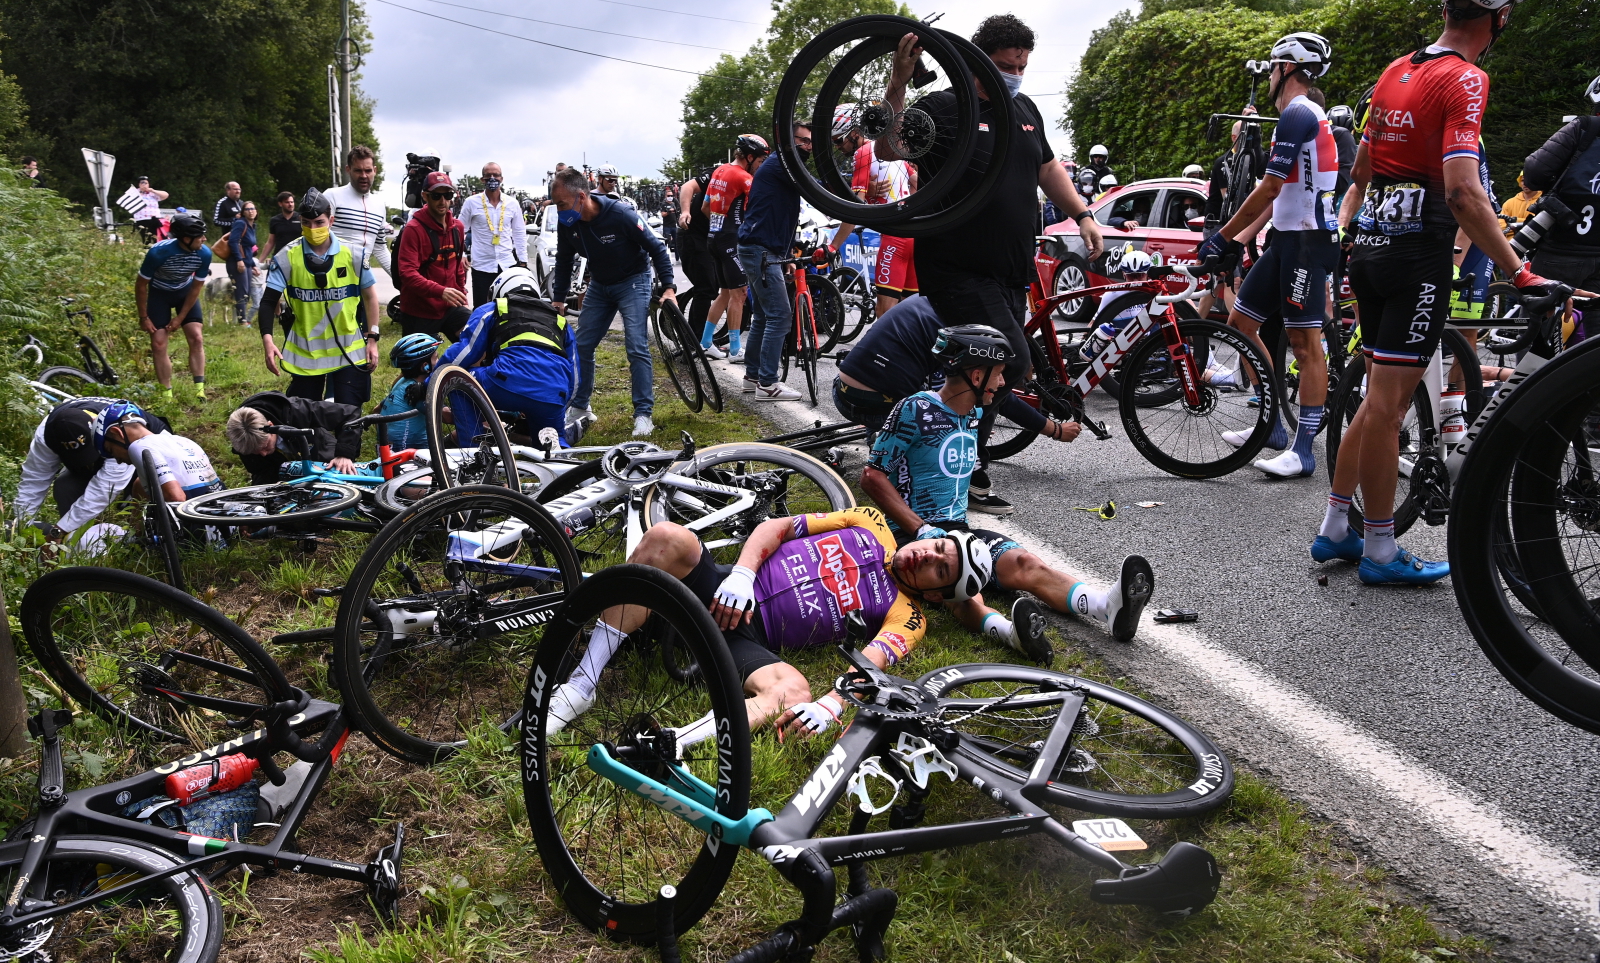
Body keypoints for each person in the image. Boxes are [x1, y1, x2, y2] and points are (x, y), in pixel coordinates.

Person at [1324, 0, 1559, 586]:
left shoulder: (1394, 71)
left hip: (1372, 250)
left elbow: (1365, 170)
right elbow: (1461, 193)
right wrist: (1519, 271)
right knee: (1388, 408)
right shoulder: (1466, 78)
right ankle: (1380, 550)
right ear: (1498, 20)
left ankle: (1335, 526)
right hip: (1415, 256)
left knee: (1378, 400)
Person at [877, 14, 1104, 515]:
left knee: (979, 367)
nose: (1016, 73)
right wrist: (897, 81)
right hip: (957, 266)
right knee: (1010, 361)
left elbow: (1047, 168)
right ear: (979, 59)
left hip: (1009, 270)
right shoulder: (942, 106)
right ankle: (960, 463)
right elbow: (888, 146)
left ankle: (932, 454)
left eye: (1023, 64)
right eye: (1005, 65)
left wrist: (1084, 214)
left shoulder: (1022, 109)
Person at [544, 505, 993, 741]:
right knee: (666, 538)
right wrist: (742, 573)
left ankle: (676, 743)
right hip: (722, 588)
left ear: (937, 594)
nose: (927, 556)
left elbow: (869, 665)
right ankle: (581, 686)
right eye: (939, 548)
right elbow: (775, 528)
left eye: (939, 569)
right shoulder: (870, 522)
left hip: (747, 638)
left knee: (794, 690)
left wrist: (831, 705)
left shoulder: (909, 616)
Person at [861, 325, 1154, 654]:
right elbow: (872, 476)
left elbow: (1010, 406)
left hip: (957, 533)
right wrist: (922, 528)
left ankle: (1107, 608)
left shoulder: (972, 413)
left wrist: (1053, 428)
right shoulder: (915, 409)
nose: (1002, 384)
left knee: (1025, 563)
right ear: (976, 376)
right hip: (910, 536)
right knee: (962, 593)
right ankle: (1011, 634)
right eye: (998, 374)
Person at [1198, 31, 1340, 479]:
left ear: (1287, 70)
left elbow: (1271, 187)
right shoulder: (1295, 117)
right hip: (1285, 238)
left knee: (1304, 342)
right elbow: (1281, 197)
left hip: (1309, 241)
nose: (1269, 76)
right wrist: (1240, 239)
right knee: (1240, 324)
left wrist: (1223, 236)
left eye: (1273, 68)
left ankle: (1303, 450)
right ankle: (1273, 427)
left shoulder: (1299, 113)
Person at [833, 295, 1068, 454]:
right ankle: (895, 439)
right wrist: (1052, 429)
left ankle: (881, 434)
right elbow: (985, 394)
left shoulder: (932, 298)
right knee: (960, 408)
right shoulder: (960, 328)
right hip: (877, 407)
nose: (1004, 379)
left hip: (843, 393)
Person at [551, 167, 678, 438]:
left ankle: (643, 415)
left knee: (635, 344)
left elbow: (657, 249)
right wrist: (559, 300)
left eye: (562, 204)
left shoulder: (620, 214)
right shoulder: (568, 223)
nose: (559, 211)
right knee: (582, 345)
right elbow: (563, 261)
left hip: (633, 279)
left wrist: (669, 288)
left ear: (581, 196)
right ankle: (581, 406)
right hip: (600, 283)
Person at [257, 188, 382, 406]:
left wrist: (372, 339)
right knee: (305, 421)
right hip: (306, 356)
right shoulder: (286, 257)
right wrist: (268, 340)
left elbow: (371, 297)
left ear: (331, 220)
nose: (312, 228)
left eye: (319, 222)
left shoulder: (354, 254)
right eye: (306, 223)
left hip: (349, 353)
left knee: (349, 420)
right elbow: (268, 302)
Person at [441, 265, 575, 445]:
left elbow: (464, 353)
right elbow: (575, 377)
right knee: (552, 445)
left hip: (505, 382)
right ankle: (561, 460)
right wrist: (558, 402)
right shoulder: (561, 322)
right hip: (553, 393)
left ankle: (473, 452)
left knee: (457, 380)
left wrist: (431, 382)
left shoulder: (494, 308)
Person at [15, 397, 169, 544]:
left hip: (140, 452)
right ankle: (76, 543)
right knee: (65, 487)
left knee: (137, 501)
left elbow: (103, 490)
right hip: (106, 449)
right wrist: (21, 531)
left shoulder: (113, 431)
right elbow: (33, 482)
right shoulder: (47, 435)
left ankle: (139, 545)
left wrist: (59, 529)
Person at [736, 122, 816, 402]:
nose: (808, 146)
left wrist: (787, 253)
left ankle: (752, 376)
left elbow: (780, 211)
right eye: (803, 140)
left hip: (762, 249)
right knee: (780, 315)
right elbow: (814, 190)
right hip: (760, 250)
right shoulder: (782, 164)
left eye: (810, 142)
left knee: (762, 316)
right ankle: (768, 383)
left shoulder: (779, 165)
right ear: (787, 140)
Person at [824, 103, 919, 319]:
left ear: (855, 133)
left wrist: (833, 246)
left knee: (885, 315)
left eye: (839, 139)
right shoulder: (891, 150)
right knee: (910, 314)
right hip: (915, 236)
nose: (838, 146)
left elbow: (853, 210)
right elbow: (915, 181)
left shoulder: (864, 153)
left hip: (895, 239)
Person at [1521, 71, 1600, 295]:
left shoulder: (1584, 128)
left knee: (1538, 321)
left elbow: (1534, 174)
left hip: (1561, 248)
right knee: (1595, 327)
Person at [704, 135, 769, 363]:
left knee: (724, 294)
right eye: (760, 161)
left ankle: (705, 343)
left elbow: (705, 207)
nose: (760, 166)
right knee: (739, 294)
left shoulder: (718, 171)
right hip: (731, 240)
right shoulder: (744, 177)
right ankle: (734, 350)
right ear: (749, 157)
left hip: (714, 237)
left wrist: (719, 226)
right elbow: (756, 211)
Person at [135, 212, 211, 402]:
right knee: (158, 343)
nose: (205, 239)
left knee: (196, 337)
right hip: (159, 295)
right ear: (186, 239)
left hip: (184, 293)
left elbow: (196, 288)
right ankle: (167, 394)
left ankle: (199, 389)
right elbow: (141, 285)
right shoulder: (158, 252)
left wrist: (180, 317)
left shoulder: (204, 253)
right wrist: (143, 317)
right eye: (200, 236)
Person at [93, 401, 223, 505]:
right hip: (224, 520)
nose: (118, 461)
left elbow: (176, 498)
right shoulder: (183, 441)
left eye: (111, 451)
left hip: (197, 530)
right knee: (140, 484)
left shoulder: (139, 447)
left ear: (117, 433)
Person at [224, 392, 365, 485]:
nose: (263, 454)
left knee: (334, 480)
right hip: (286, 466)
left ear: (270, 426)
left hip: (319, 449)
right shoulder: (244, 440)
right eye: (255, 453)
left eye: (265, 446)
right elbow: (262, 473)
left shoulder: (296, 411)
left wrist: (344, 454)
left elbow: (350, 414)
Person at [394, 172, 471, 340]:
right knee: (419, 365)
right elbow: (407, 274)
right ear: (425, 196)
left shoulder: (458, 227)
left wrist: (461, 294)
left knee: (477, 346)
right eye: (436, 196)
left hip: (449, 306)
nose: (442, 201)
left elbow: (457, 266)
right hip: (419, 310)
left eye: (447, 195)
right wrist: (440, 291)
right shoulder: (413, 229)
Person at [459, 161, 529, 307]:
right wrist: (462, 255)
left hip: (507, 264)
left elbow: (519, 233)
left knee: (508, 308)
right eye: (488, 175)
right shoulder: (471, 202)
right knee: (482, 308)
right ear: (482, 179)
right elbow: (459, 230)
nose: (492, 178)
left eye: (496, 175)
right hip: (482, 266)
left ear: (501, 179)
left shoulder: (512, 203)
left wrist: (522, 261)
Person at [328, 145, 395, 287]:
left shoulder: (379, 205)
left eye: (368, 170)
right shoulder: (332, 196)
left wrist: (402, 281)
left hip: (362, 280)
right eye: (358, 170)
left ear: (375, 171)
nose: (364, 176)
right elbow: (317, 238)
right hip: (332, 280)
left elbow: (379, 248)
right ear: (348, 170)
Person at [677, 168, 722, 357]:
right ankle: (699, 343)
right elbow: (688, 186)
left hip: (709, 238)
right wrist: (685, 211)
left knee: (711, 287)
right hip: (692, 235)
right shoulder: (719, 173)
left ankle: (695, 340)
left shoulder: (749, 180)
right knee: (706, 287)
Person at [374, 333, 441, 449]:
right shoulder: (417, 391)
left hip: (386, 448)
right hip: (411, 453)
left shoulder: (401, 382)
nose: (439, 361)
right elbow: (449, 418)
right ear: (425, 366)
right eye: (436, 357)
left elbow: (376, 410)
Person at [227, 200, 262, 326]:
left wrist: (253, 265)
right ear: (243, 212)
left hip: (247, 262)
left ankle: (242, 318)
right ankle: (242, 321)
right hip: (237, 262)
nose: (251, 211)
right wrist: (239, 260)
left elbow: (247, 249)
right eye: (247, 209)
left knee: (246, 292)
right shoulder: (240, 223)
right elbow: (233, 242)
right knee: (241, 292)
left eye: (253, 208)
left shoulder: (252, 225)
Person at [261, 191, 301, 261]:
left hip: (297, 257)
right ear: (280, 204)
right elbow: (270, 242)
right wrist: (260, 260)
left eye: (292, 202)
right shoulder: (275, 220)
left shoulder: (301, 219)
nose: (290, 204)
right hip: (279, 256)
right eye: (287, 202)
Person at [1498, 171, 1541, 236]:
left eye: (1529, 180)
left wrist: (1514, 221)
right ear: (1519, 183)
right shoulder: (1509, 203)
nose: (1525, 183)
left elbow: (1538, 225)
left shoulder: (1543, 201)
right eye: (1523, 180)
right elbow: (1500, 226)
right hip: (1509, 244)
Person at [131, 176, 168, 241]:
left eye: (146, 183)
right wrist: (141, 192)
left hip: (154, 219)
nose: (144, 184)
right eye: (142, 183)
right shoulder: (135, 192)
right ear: (139, 184)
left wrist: (153, 191)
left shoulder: (152, 193)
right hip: (141, 219)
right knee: (145, 238)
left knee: (157, 237)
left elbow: (165, 195)